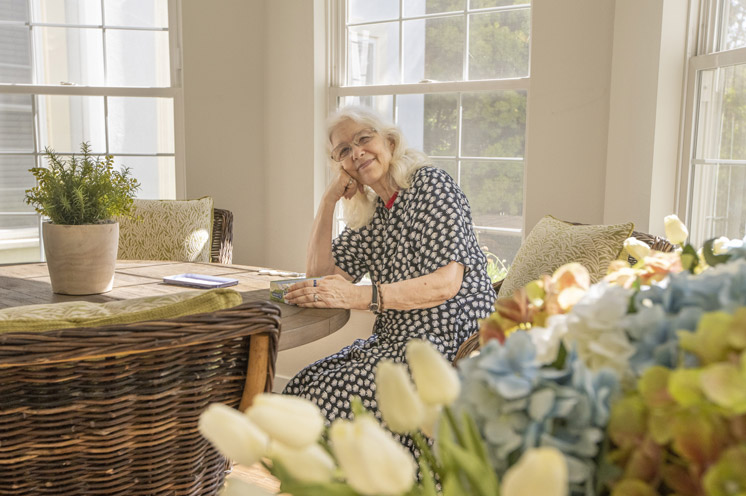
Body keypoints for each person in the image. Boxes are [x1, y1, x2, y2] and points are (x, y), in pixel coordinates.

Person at [283, 106, 496, 425]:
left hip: (448, 340)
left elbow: (446, 283)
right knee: (297, 390)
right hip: (396, 341)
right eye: (343, 150)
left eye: (363, 138)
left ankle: (362, 473)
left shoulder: (430, 184)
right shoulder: (372, 214)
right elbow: (320, 279)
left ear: (390, 143)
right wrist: (328, 201)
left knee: (315, 407)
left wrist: (358, 297)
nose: (356, 152)